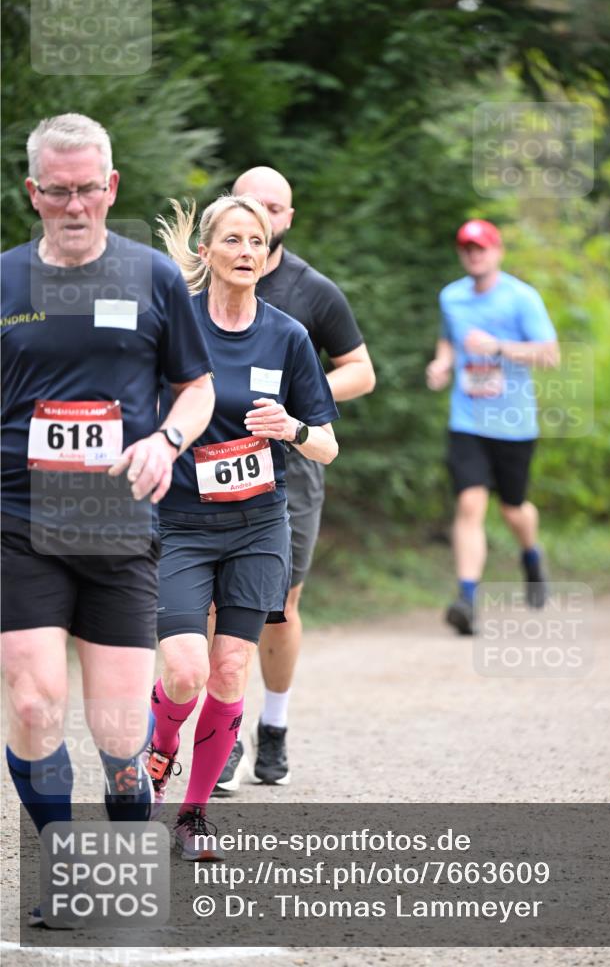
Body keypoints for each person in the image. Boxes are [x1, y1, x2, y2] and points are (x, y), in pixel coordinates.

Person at [0, 113, 215, 920]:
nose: (76, 204)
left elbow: (196, 387)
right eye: (58, 191)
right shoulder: (5, 280)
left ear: (112, 186)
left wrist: (166, 439)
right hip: (19, 516)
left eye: (90, 188)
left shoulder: (154, 276)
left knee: (122, 734)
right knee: (32, 704)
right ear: (35, 192)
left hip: (121, 524)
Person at [142, 193, 338, 858]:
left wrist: (294, 429)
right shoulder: (175, 325)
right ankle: (158, 749)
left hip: (258, 524)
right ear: (206, 252)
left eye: (256, 241)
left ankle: (192, 818)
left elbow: (327, 445)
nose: (247, 252)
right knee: (185, 671)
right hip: (182, 522)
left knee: (230, 671)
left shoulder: (287, 335)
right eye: (232, 240)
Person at [212, 167, 375, 794]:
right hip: (209, 462)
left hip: (292, 465)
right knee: (209, 601)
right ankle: (218, 733)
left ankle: (273, 726)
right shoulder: (206, 277)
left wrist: (298, 404)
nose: (263, 219)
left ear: (288, 218)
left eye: (275, 209)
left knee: (277, 607)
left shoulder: (313, 291)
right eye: (252, 206)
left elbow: (361, 371)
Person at [426, 219, 559, 635]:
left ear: (497, 251)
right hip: (467, 420)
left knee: (513, 508)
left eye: (481, 247)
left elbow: (550, 355)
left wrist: (498, 347)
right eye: (466, 248)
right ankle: (466, 599)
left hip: (514, 423)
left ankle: (531, 555)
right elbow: (449, 338)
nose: (474, 254)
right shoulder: (452, 297)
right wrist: (443, 363)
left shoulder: (522, 298)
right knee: (469, 505)